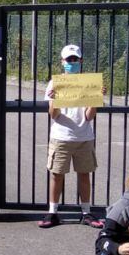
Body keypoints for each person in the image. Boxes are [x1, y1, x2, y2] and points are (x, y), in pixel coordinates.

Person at [41, 44, 104, 229]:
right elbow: (53, 115)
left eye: (75, 59)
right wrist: (54, 99)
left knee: (84, 175)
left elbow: (88, 116)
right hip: (61, 136)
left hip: (84, 136)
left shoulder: (88, 83)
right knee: (56, 174)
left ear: (80, 61)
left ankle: (86, 212)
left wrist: (95, 100)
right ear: (62, 62)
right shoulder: (55, 83)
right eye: (69, 59)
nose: (72, 62)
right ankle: (52, 212)